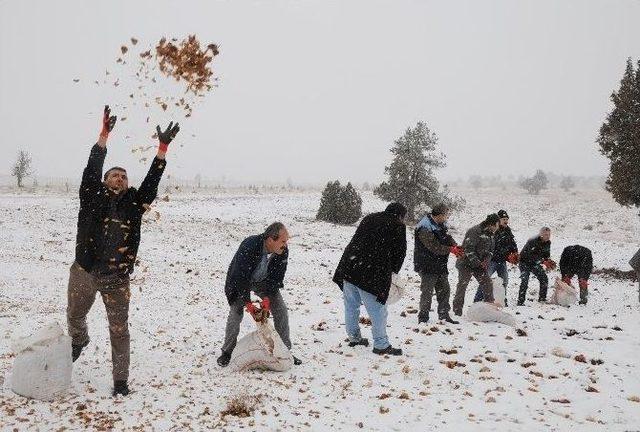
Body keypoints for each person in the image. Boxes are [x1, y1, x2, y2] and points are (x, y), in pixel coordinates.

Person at [67, 105, 179, 396]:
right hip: (84, 271)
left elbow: (152, 183)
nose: (120, 178)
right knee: (74, 316)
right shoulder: (90, 196)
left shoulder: (134, 204)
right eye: (114, 175)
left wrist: (162, 149)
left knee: (120, 331)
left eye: (123, 176)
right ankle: (78, 341)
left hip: (117, 278)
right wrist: (103, 135)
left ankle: (120, 381)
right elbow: (92, 167)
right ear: (105, 181)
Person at [217, 222, 301, 367]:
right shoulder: (250, 245)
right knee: (236, 313)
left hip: (264, 282)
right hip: (242, 282)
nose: (285, 244)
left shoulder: (282, 251)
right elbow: (240, 276)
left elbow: (277, 278)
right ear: (270, 240)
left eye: (286, 241)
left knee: (280, 309)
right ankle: (227, 351)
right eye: (282, 241)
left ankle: (284, 350)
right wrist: (249, 303)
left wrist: (267, 301)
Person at [333, 203, 407, 355]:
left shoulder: (369, 218)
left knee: (351, 306)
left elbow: (356, 240)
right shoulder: (397, 225)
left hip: (349, 266)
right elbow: (400, 253)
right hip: (371, 273)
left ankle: (354, 338)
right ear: (400, 215)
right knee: (378, 310)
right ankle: (381, 345)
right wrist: (392, 272)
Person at [414, 204, 463, 324]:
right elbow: (433, 246)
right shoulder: (424, 226)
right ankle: (423, 317)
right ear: (440, 215)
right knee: (427, 292)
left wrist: (455, 245)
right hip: (426, 264)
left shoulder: (441, 224)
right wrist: (450, 250)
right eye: (446, 215)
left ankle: (444, 315)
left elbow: (446, 237)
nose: (447, 217)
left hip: (440, 264)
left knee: (445, 290)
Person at [452, 214, 500, 316]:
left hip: (479, 265)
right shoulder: (474, 231)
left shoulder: (491, 234)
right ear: (491, 224)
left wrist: (486, 261)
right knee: (462, 286)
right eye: (497, 225)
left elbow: (491, 251)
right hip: (466, 263)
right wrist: (478, 263)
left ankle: (489, 308)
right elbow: (468, 249)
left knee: (487, 283)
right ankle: (457, 311)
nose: (498, 227)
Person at [473, 209, 518, 305]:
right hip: (491, 261)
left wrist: (514, 253)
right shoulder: (493, 231)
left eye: (507, 219)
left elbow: (512, 244)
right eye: (503, 219)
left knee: (504, 281)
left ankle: (502, 300)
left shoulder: (508, 231)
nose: (506, 221)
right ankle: (477, 299)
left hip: (502, 262)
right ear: (498, 220)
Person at [517, 227, 555, 305]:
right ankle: (520, 301)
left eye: (549, 235)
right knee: (525, 280)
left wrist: (548, 261)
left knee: (544, 278)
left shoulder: (548, 243)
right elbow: (530, 256)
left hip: (535, 264)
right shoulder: (533, 241)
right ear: (541, 235)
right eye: (545, 234)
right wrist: (543, 261)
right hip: (524, 262)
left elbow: (546, 254)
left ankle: (542, 299)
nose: (548, 236)